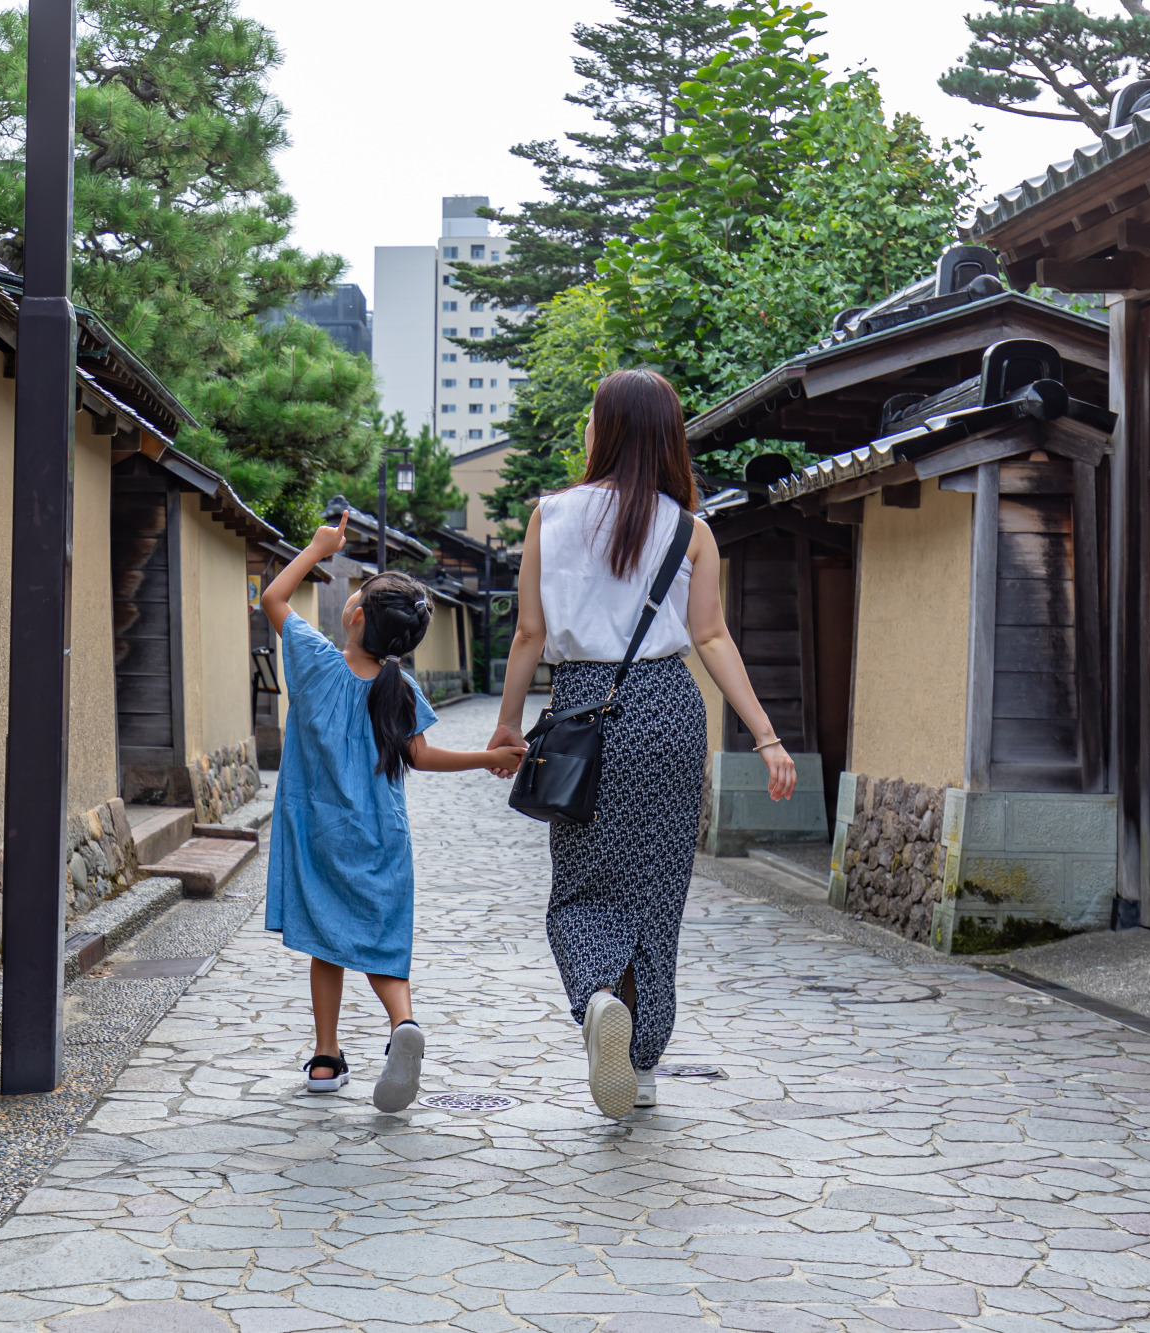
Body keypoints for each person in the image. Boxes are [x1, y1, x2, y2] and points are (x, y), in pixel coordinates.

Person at [487, 369, 798, 1119]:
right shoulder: (691, 530)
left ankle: (599, 995)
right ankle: (643, 1055)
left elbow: (529, 632)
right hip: (666, 710)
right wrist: (765, 735)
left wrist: (504, 725)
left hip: (584, 707)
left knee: (584, 886)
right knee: (657, 894)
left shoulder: (548, 516)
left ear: (610, 430)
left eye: (593, 418)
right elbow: (712, 636)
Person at [260, 513, 528, 1112]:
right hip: (381, 836)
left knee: (324, 941)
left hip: (318, 832)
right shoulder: (398, 689)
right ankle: (401, 1024)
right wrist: (488, 757)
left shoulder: (312, 661)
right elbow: (422, 755)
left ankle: (326, 1059)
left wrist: (319, 547)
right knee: (382, 941)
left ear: (353, 618)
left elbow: (272, 595)